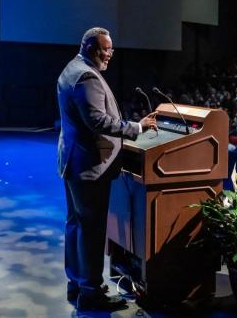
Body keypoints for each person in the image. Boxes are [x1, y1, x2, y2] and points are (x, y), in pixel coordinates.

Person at [57, 27, 158, 311]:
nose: (110, 55)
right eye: (106, 49)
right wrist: (137, 127)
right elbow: (98, 122)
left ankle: (76, 285)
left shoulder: (70, 69)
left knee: (76, 226)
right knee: (90, 231)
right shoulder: (87, 76)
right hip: (90, 167)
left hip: (74, 163)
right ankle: (91, 293)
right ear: (91, 48)